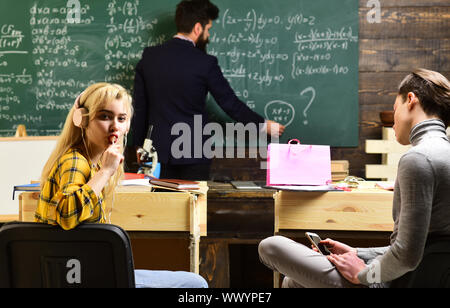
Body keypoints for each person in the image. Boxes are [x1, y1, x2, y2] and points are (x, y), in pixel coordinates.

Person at [258, 68, 450, 288]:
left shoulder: (417, 159)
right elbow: (423, 247)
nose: (394, 120)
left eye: (394, 109)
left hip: (391, 282)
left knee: (270, 246)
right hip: (417, 276)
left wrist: (362, 274)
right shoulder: (442, 153)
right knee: (293, 282)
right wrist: (357, 253)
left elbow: (407, 256)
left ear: (410, 100)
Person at [35, 82, 208, 288]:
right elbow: (66, 214)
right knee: (194, 285)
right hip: (81, 276)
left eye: (121, 118)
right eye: (104, 116)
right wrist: (105, 171)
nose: (115, 126)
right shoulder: (75, 161)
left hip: (87, 269)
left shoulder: (94, 160)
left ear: (127, 125)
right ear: (82, 120)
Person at [131, 0, 285, 180]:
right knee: (194, 205)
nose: (208, 34)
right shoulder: (205, 63)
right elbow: (230, 103)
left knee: (159, 206)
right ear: (198, 28)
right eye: (208, 29)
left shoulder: (150, 57)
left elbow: (139, 108)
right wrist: (263, 125)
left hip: (156, 152)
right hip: (194, 151)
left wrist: (138, 146)